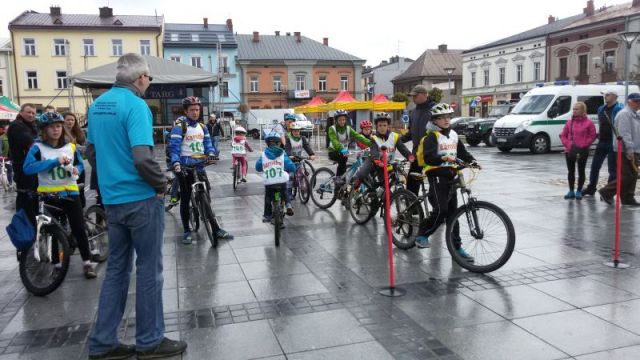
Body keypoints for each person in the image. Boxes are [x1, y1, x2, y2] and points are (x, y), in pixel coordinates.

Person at [87, 53, 187, 360]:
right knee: (148, 269)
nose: (148, 83)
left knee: (116, 268)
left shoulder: (97, 106)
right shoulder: (136, 106)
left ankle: (103, 342)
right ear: (140, 77)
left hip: (113, 201)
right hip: (141, 200)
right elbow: (143, 158)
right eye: (149, 78)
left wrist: (109, 181)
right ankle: (149, 340)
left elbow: (91, 152)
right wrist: (161, 185)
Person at [22, 112, 97, 279]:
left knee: (78, 228)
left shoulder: (70, 146)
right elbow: (28, 168)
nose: (55, 130)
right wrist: (54, 162)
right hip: (48, 195)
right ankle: (57, 265)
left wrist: (78, 169)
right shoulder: (37, 147)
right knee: (53, 232)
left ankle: (87, 263)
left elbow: (79, 163)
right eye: (51, 127)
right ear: (44, 130)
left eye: (58, 126)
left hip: (70, 193)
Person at [414, 103, 477, 262]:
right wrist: (443, 158)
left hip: (451, 176)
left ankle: (457, 247)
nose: (446, 120)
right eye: (441, 118)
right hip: (436, 176)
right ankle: (422, 234)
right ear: (434, 121)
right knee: (441, 210)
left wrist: (472, 161)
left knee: (453, 215)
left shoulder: (454, 135)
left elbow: (462, 153)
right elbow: (428, 157)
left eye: (448, 117)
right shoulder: (431, 137)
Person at [169, 96, 234, 245]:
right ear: (186, 111)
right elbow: (174, 147)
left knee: (206, 199)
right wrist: (176, 162)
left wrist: (211, 153)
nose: (195, 112)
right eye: (192, 110)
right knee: (185, 199)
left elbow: (208, 144)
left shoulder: (203, 127)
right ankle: (186, 231)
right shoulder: (180, 127)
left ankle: (216, 229)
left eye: (197, 109)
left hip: (199, 166)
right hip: (184, 167)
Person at [599, 92, 640, 206]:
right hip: (624, 149)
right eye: (636, 101)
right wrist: (629, 149)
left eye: (639, 101)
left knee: (633, 175)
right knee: (627, 175)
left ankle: (628, 197)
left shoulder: (634, 114)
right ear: (629, 101)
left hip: (634, 149)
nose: (638, 104)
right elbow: (624, 133)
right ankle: (606, 192)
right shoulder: (625, 114)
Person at [354, 113, 413, 189]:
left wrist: (410, 156)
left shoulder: (394, 136)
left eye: (385, 125)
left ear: (388, 126)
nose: (382, 128)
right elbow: (374, 151)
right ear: (376, 126)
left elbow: (403, 149)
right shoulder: (374, 138)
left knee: (385, 188)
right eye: (380, 125)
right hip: (374, 162)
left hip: (387, 163)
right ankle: (357, 183)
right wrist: (377, 160)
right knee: (362, 174)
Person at [583, 90, 623, 196]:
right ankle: (591, 187)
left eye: (608, 95)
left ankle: (608, 192)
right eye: (605, 95)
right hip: (602, 141)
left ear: (614, 96)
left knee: (612, 169)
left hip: (612, 142)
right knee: (595, 165)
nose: (605, 96)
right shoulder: (601, 109)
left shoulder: (618, 108)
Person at [402, 85, 436, 195]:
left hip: (432, 154)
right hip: (417, 153)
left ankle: (437, 209)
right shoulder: (414, 112)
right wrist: (397, 141)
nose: (413, 98)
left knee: (435, 184)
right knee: (412, 182)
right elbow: (411, 133)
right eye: (412, 96)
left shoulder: (434, 110)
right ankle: (411, 207)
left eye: (415, 96)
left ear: (425, 95)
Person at [559, 101, 597, 200]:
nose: (574, 111)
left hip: (582, 150)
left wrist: (585, 144)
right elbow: (563, 135)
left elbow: (593, 135)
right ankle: (571, 190)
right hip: (570, 150)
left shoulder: (588, 123)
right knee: (571, 171)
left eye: (576, 109)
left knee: (581, 170)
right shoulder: (569, 122)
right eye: (574, 109)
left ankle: (579, 191)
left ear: (583, 110)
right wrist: (568, 144)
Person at [256, 131, 296, 223]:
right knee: (285, 190)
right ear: (279, 143)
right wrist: (292, 169)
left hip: (269, 182)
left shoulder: (263, 154)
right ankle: (288, 205)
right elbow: (290, 166)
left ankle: (267, 215)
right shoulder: (283, 153)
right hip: (281, 181)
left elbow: (258, 167)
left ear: (267, 144)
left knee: (268, 197)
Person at [7, 103, 38, 217]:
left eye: (33, 113)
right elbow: (31, 142)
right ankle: (22, 224)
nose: (31, 115)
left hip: (32, 166)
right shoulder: (17, 125)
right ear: (21, 112)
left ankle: (33, 222)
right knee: (25, 197)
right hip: (22, 167)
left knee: (33, 196)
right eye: (28, 112)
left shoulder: (31, 125)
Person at [327, 109, 371, 179]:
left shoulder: (348, 128)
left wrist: (371, 143)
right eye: (340, 120)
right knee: (343, 159)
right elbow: (334, 142)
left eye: (344, 120)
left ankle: (343, 180)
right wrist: (342, 149)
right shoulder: (332, 129)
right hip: (333, 151)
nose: (342, 122)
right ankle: (338, 180)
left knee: (344, 163)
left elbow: (358, 136)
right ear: (336, 120)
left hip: (344, 151)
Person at [284, 122, 316, 213]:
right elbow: (287, 148)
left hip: (300, 159)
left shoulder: (302, 138)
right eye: (294, 131)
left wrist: (311, 154)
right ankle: (289, 192)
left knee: (302, 173)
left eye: (298, 131)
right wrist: (289, 155)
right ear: (292, 131)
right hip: (291, 160)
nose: (296, 132)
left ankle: (303, 188)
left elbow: (306, 147)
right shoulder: (289, 139)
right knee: (290, 176)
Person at [63, 112, 88, 206]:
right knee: (71, 191)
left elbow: (85, 149)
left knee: (81, 189)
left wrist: (77, 147)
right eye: (68, 119)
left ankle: (82, 213)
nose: (70, 122)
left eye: (72, 120)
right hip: (67, 165)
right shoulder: (61, 134)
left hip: (79, 164)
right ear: (63, 121)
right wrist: (77, 147)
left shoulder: (79, 133)